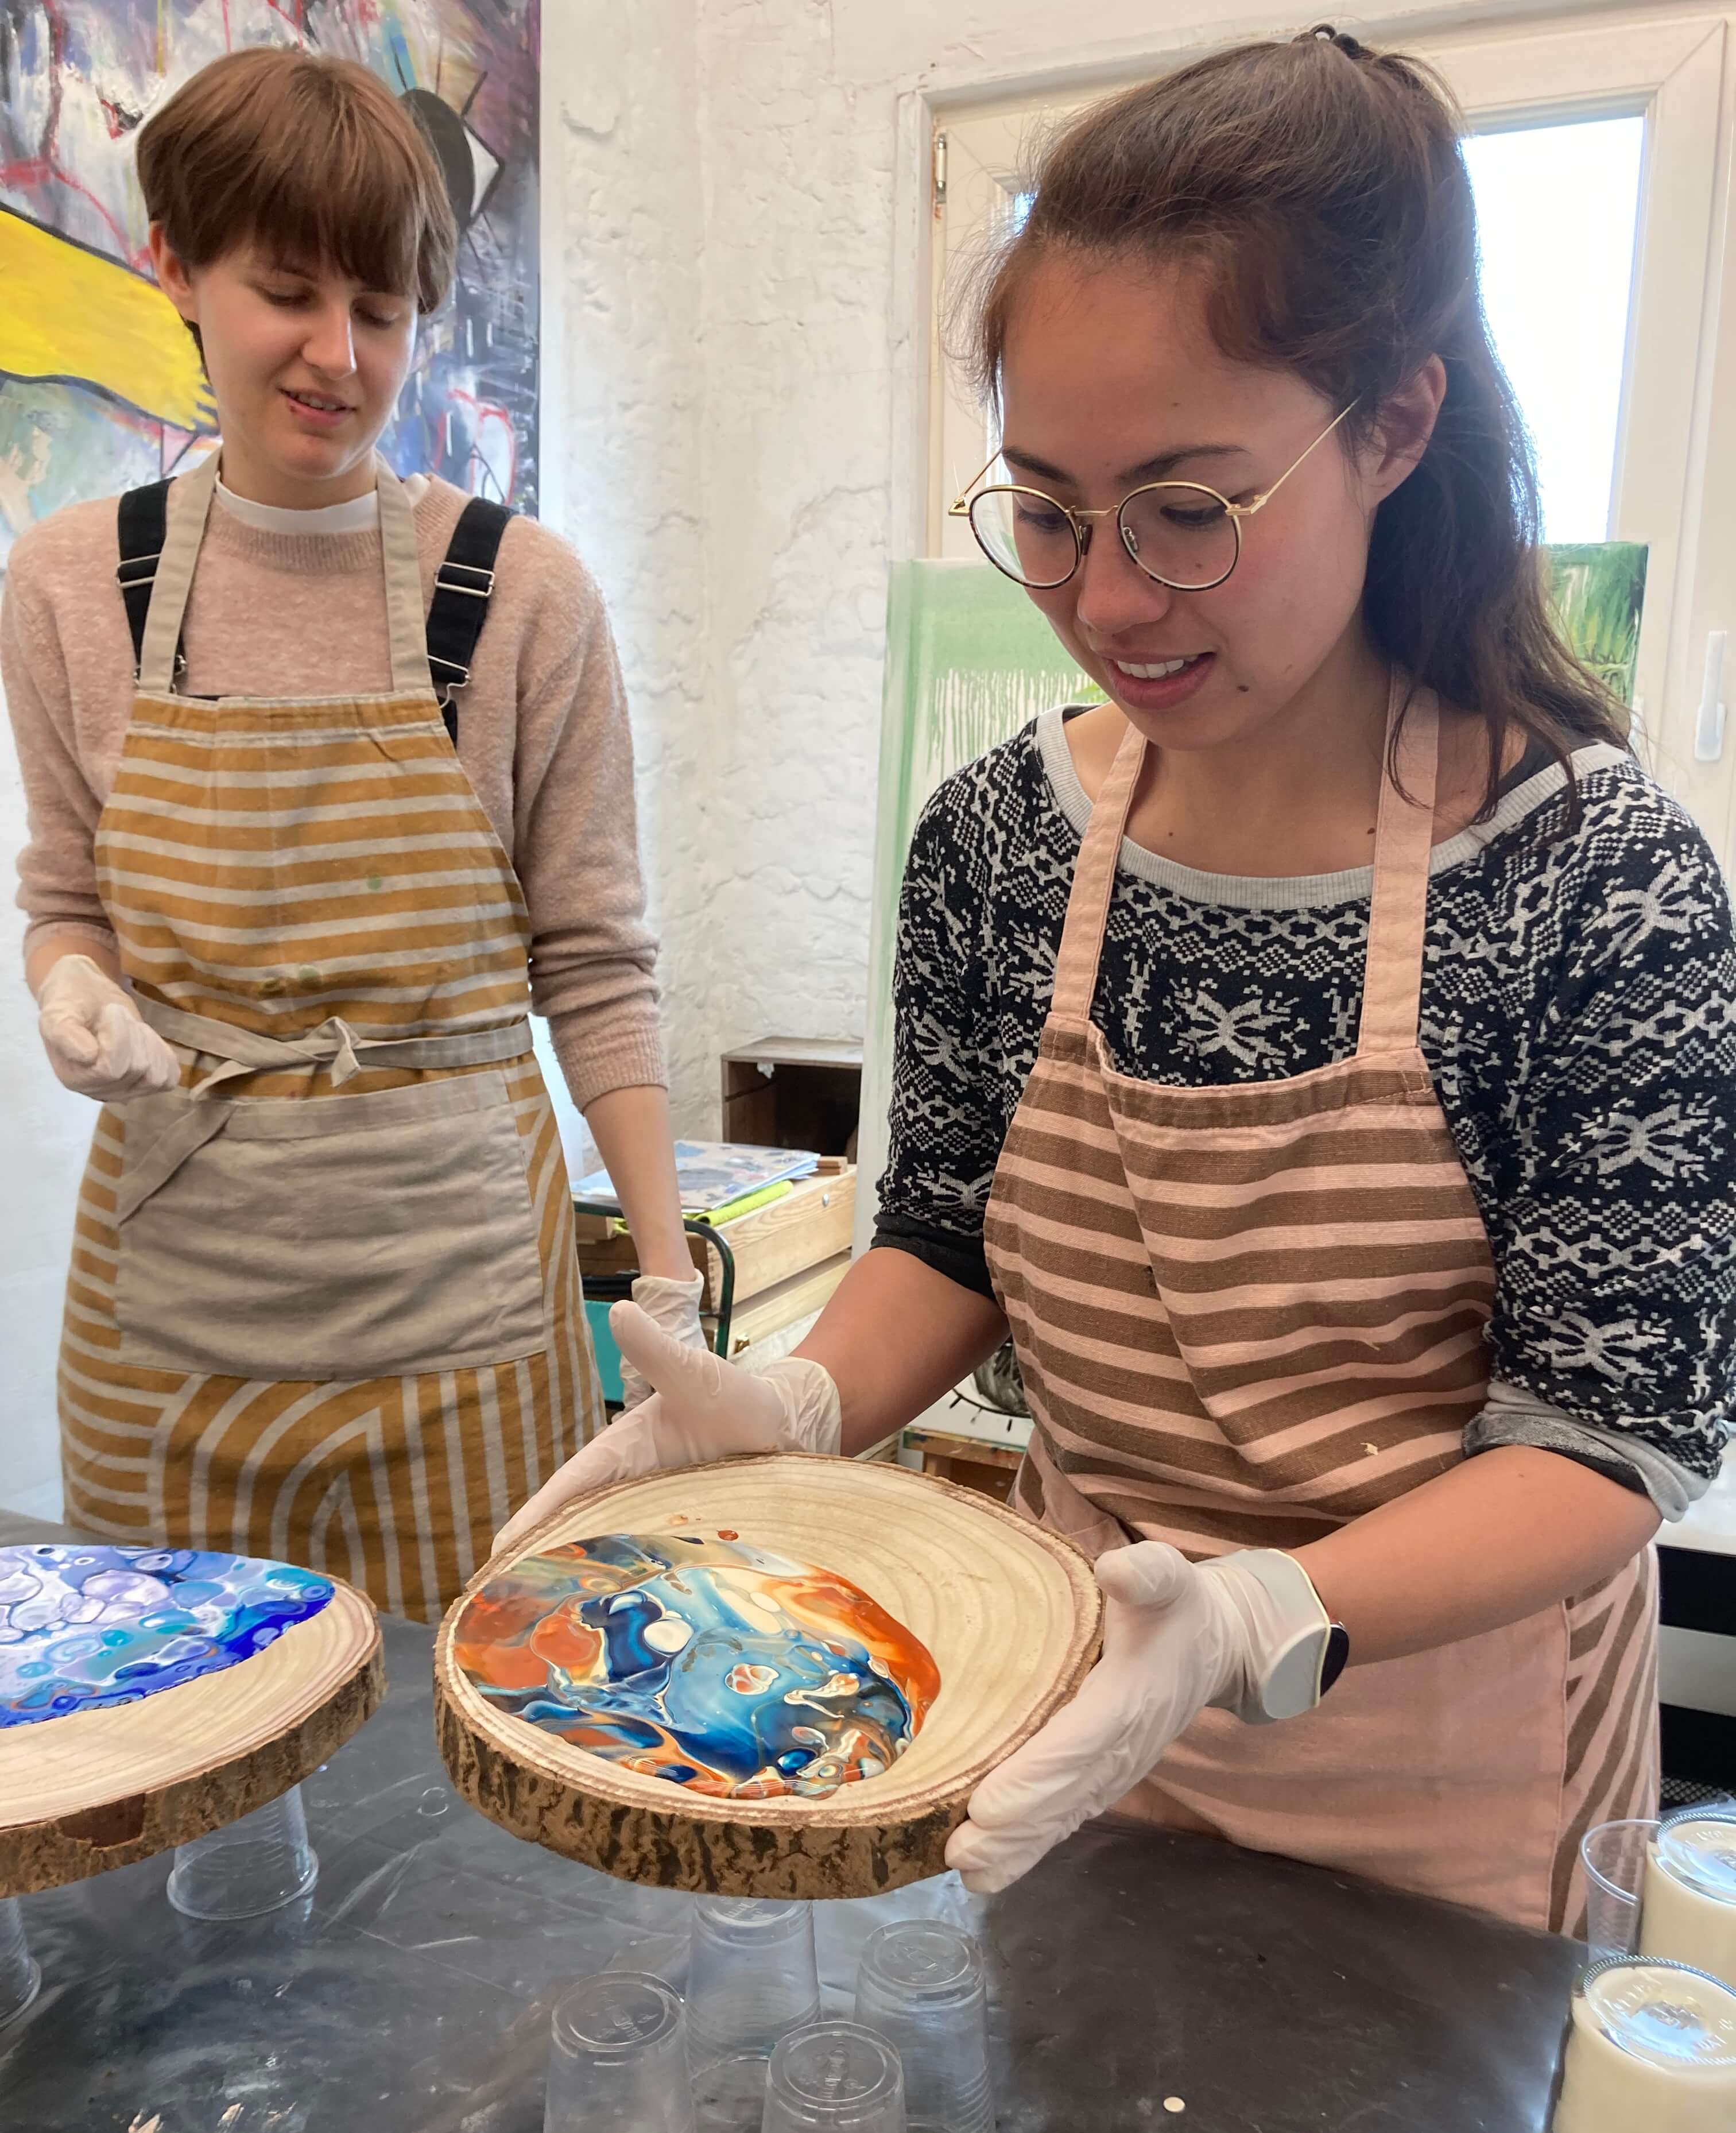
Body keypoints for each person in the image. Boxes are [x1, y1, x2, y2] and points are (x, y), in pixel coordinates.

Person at [495, 26, 1736, 1931]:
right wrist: (810, 1405)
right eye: (1052, 511)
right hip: (1070, 1714)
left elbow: (1610, 1430)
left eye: (1189, 510)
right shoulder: (1003, 843)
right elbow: (953, 1241)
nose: (1109, 599)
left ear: (1396, 428)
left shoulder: (1595, 884)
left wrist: (1263, 1606)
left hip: (1452, 1781)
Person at [3, 48, 706, 1621]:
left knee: (469, 1760)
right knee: (175, 1740)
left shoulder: (520, 598)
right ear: (178, 266)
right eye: (290, 293)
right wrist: (71, 988)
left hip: (464, 1331)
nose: (339, 355)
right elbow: (66, 891)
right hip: (168, 1323)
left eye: (381, 313)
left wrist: (664, 1284)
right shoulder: (69, 589)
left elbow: (595, 961)